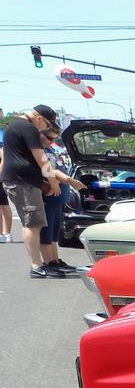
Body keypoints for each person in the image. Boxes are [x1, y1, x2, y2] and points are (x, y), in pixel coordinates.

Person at [2, 104, 69, 277]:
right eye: (47, 125)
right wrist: (53, 182)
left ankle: (40, 264)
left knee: (34, 224)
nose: (45, 130)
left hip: (22, 181)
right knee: (32, 224)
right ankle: (37, 266)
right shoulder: (27, 127)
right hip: (23, 183)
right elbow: (41, 157)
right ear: (40, 118)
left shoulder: (15, 126)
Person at [37, 128, 84, 275]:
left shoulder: (49, 149)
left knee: (54, 231)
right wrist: (69, 181)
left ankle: (55, 260)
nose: (51, 141)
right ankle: (49, 262)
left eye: (54, 139)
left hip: (57, 198)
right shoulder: (40, 151)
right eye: (49, 138)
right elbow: (50, 171)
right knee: (47, 231)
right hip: (49, 197)